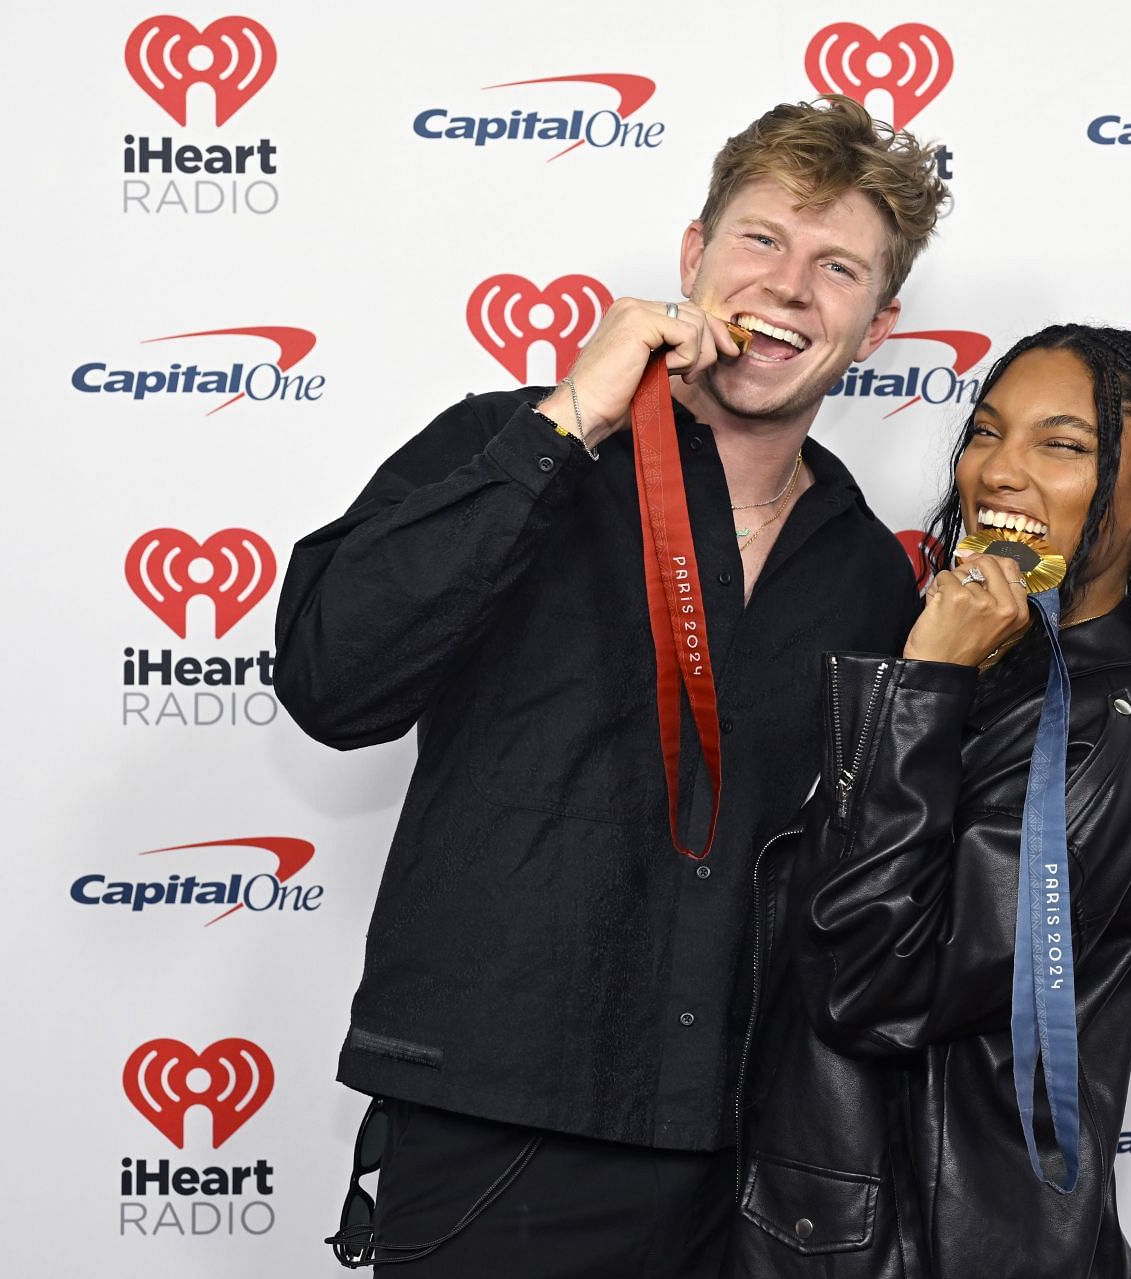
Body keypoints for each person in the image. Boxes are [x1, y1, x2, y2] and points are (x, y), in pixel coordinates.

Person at [274, 96, 949, 1275]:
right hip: (501, 1129)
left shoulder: (866, 568)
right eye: (762, 240)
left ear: (878, 323)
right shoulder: (511, 446)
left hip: (748, 1162)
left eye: (837, 265)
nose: (790, 286)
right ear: (693, 257)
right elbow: (333, 683)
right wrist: (570, 417)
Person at [728, 324, 1131, 1277]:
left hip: (930, 1251)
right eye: (988, 432)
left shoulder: (1090, 730)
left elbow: (872, 989)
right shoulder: (1001, 665)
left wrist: (925, 682)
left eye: (1063, 446)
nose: (1002, 472)